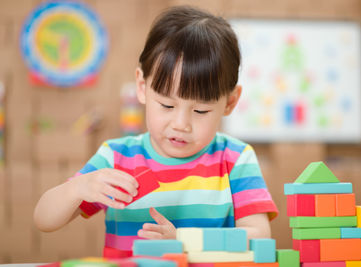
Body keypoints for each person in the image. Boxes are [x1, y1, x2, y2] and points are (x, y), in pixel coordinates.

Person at [34, 5, 278, 257]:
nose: (181, 124)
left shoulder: (235, 159)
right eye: (167, 105)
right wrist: (78, 188)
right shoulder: (117, 158)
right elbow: (44, 219)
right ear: (142, 86)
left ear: (229, 102)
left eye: (201, 111)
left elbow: (258, 236)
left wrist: (184, 240)